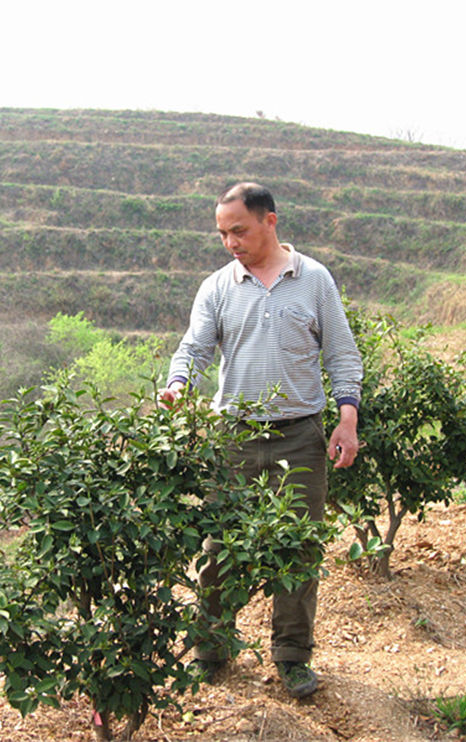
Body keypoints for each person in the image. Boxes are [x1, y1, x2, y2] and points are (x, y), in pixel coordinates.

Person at [159, 182, 362, 698]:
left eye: (240, 230)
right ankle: (212, 649)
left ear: (271, 221)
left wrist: (347, 419)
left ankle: (292, 656)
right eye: (223, 233)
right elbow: (194, 346)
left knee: (297, 550)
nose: (231, 242)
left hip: (300, 437)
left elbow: (341, 354)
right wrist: (178, 383)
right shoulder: (217, 287)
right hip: (235, 438)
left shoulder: (314, 280)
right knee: (218, 548)